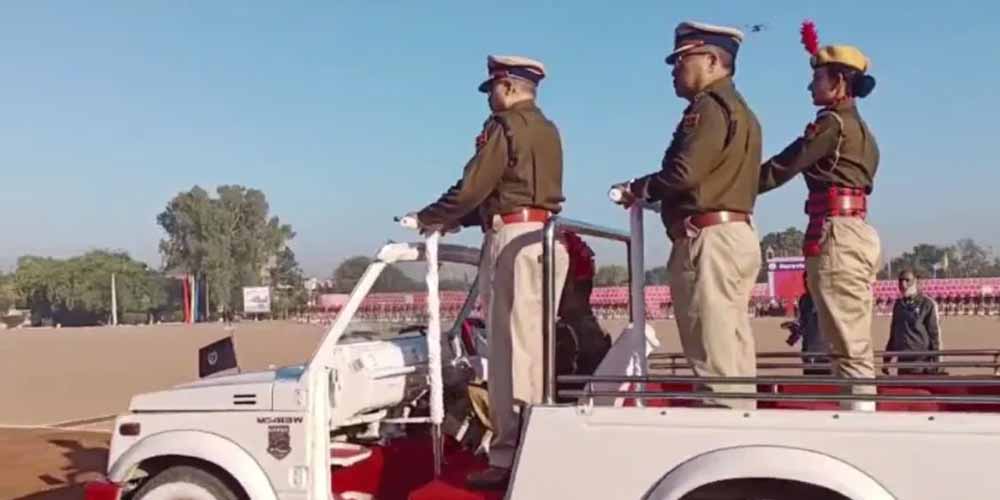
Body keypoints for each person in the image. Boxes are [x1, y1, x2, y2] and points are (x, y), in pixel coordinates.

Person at [411, 54, 569, 489]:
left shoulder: (504, 126)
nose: (490, 97)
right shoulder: (548, 129)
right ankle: (537, 446)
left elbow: (475, 186)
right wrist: (458, 218)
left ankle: (508, 457)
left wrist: (430, 216)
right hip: (544, 237)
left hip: (512, 239)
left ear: (510, 87)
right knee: (534, 353)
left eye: (494, 88)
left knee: (506, 355)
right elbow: (506, 190)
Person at [613, 21, 763, 410]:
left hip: (709, 240)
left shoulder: (709, 107)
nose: (674, 69)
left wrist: (638, 189)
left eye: (682, 59)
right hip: (734, 234)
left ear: (712, 61)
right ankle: (740, 424)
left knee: (713, 358)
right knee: (731, 352)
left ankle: (726, 433)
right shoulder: (742, 111)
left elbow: (684, 172)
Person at [757, 21, 881, 410]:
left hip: (838, 235)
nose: (810, 86)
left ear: (839, 82)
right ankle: (859, 413)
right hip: (853, 230)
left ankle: (862, 422)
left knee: (847, 346)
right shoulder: (862, 131)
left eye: (817, 78)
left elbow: (783, 166)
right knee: (850, 341)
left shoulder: (832, 124)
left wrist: (733, 187)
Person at [883, 270, 945, 375]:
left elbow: (935, 335)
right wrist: (887, 359)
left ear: (915, 281)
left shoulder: (927, 304)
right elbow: (893, 334)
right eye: (900, 281)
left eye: (907, 280)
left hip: (921, 363)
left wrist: (938, 362)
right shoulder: (898, 305)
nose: (903, 284)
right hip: (903, 361)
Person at [782, 271, 828, 375]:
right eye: (805, 281)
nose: (806, 284)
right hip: (809, 350)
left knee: (829, 381)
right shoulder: (804, 300)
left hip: (827, 351)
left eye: (809, 281)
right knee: (811, 380)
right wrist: (794, 330)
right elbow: (803, 322)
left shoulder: (827, 298)